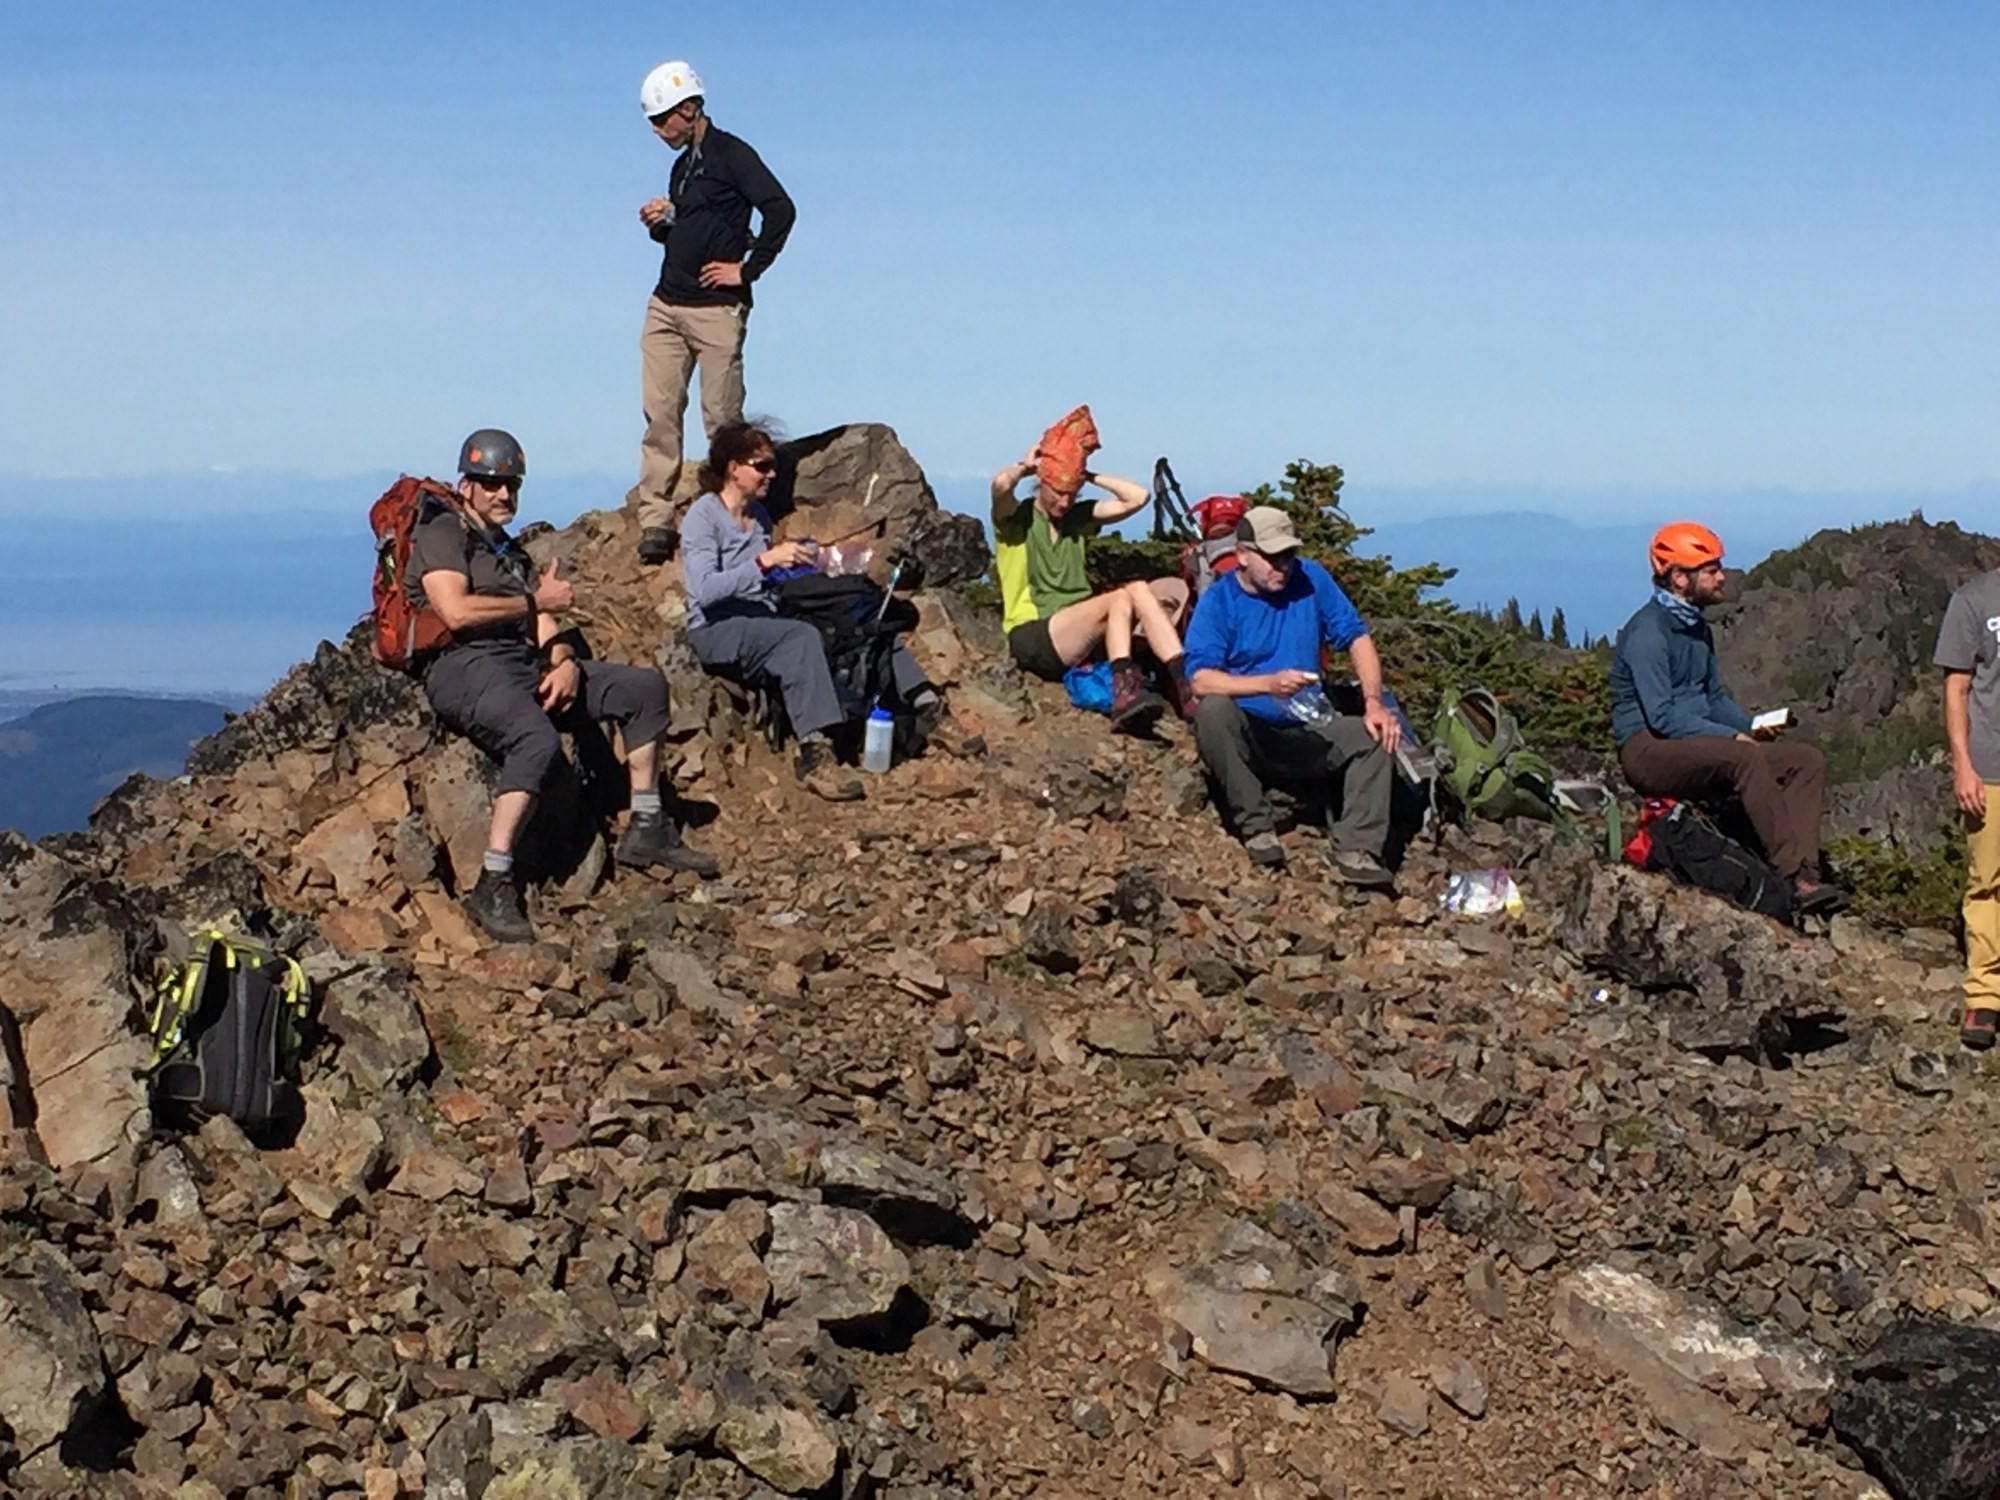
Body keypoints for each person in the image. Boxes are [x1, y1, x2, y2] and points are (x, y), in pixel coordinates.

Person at [412, 428, 718, 944]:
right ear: (466, 485)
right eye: (491, 483)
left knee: (643, 689)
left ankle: (646, 825)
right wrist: (538, 603)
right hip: (463, 665)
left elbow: (544, 625)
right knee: (534, 739)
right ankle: (494, 879)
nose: (503, 493)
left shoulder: (508, 550)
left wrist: (564, 659)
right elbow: (456, 611)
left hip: (518, 659)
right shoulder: (442, 533)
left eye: (511, 484)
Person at [682, 419, 980, 802]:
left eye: (772, 465)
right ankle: (814, 750)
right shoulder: (703, 517)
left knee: (860, 623)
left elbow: (763, 581)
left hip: (763, 615)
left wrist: (806, 564)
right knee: (801, 638)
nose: (770, 474)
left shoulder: (759, 520)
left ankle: (927, 707)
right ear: (732, 467)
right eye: (761, 466)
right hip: (716, 629)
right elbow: (704, 591)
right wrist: (765, 563)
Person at [1608, 522, 1844, 914]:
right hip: (1647, 749)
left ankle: (1807, 874)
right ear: (1680, 578)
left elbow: (1713, 698)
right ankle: (1791, 877)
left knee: (1804, 761)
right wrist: (1733, 740)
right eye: (1711, 569)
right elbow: (1662, 716)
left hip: (1688, 740)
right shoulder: (1648, 633)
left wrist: (1751, 726)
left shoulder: (1697, 629)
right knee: (1744, 758)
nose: (1722, 576)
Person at [627, 60, 796, 565]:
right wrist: (661, 223)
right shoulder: (684, 167)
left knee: (722, 421)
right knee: (660, 413)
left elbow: (780, 209)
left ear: (689, 108)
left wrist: (746, 269)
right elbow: (697, 227)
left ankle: (731, 516)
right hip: (666, 304)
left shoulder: (732, 154)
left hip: (716, 309)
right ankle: (655, 519)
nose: (658, 131)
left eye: (662, 120)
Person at [1183, 506, 1400, 887]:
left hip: (1310, 724)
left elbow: (1356, 637)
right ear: (1244, 554)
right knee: (1214, 713)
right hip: (1251, 730)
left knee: (1376, 735)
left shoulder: (1311, 578)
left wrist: (1373, 703)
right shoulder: (1219, 601)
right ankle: (1256, 826)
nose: (1281, 566)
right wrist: (1267, 684)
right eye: (1271, 556)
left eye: (1287, 555)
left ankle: (1359, 848)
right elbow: (1201, 681)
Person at [990, 445, 1189, 730]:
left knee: (1140, 589)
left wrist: (1087, 475)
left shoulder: (1076, 519)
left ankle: (1184, 678)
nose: (1065, 500)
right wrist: (1026, 467)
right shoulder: (1015, 521)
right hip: (1032, 632)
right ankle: (1124, 689)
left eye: (1072, 493)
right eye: (1058, 491)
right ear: (1042, 483)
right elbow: (1001, 485)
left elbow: (1137, 497)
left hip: (1077, 629)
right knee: (1120, 597)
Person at [1934, 568, 2000, 1048]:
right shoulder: (1974, 599)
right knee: (1988, 882)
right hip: (1991, 766)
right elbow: (1956, 687)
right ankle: (1985, 997)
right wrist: (1963, 765)